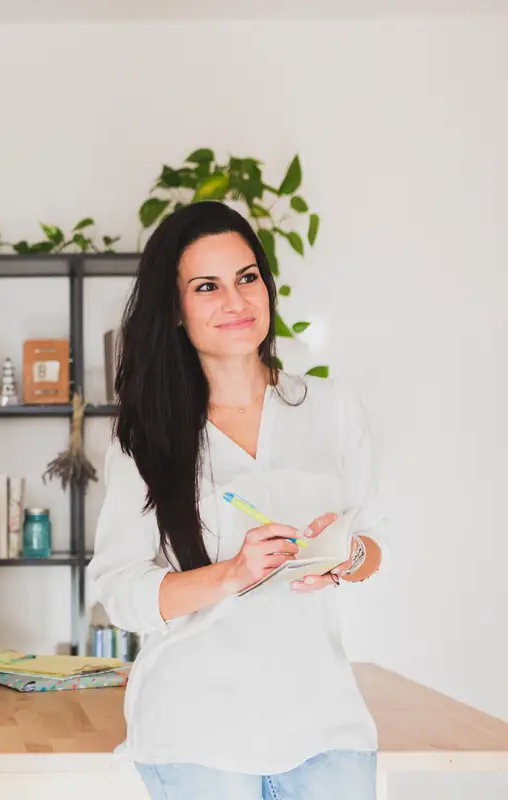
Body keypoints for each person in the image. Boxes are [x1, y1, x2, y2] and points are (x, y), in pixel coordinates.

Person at [88, 200, 387, 799]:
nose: (236, 301)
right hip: (198, 734)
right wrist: (231, 574)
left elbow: (372, 548)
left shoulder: (332, 409)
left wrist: (345, 555)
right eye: (208, 286)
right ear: (176, 309)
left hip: (325, 726)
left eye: (247, 278)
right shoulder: (146, 438)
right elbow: (118, 592)